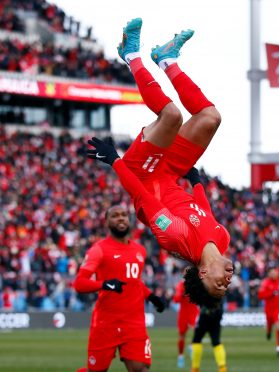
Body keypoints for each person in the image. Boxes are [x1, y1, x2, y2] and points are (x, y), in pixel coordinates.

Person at [86, 17, 233, 309]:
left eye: (218, 284)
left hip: (143, 173)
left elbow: (141, 195)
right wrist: (197, 183)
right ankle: (167, 59)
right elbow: (203, 210)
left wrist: (115, 161)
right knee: (210, 118)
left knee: (171, 117)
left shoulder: (176, 240)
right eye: (226, 286)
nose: (226, 281)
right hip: (172, 173)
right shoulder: (223, 239)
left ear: (202, 273)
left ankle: (131, 55)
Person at [73, 205, 166, 372]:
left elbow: (134, 281)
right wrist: (104, 284)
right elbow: (79, 283)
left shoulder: (140, 251)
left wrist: (151, 297)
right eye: (115, 216)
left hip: (134, 324)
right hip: (106, 324)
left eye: (124, 215)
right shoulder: (98, 250)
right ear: (107, 222)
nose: (121, 218)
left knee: (140, 369)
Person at [257, 264, 279, 356]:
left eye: (275, 272)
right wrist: (271, 294)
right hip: (269, 310)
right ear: (269, 274)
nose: (274, 274)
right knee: (269, 325)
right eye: (272, 273)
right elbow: (260, 296)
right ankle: (269, 332)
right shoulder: (265, 283)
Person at [190, 304, 227, 372]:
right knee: (216, 342)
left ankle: (195, 368)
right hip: (217, 313)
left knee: (196, 340)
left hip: (205, 314)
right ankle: (222, 368)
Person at [173, 280, 199, 368]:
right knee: (182, 336)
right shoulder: (180, 285)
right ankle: (180, 356)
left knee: (198, 332)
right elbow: (176, 299)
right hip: (183, 313)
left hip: (193, 312)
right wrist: (181, 294)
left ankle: (191, 346)